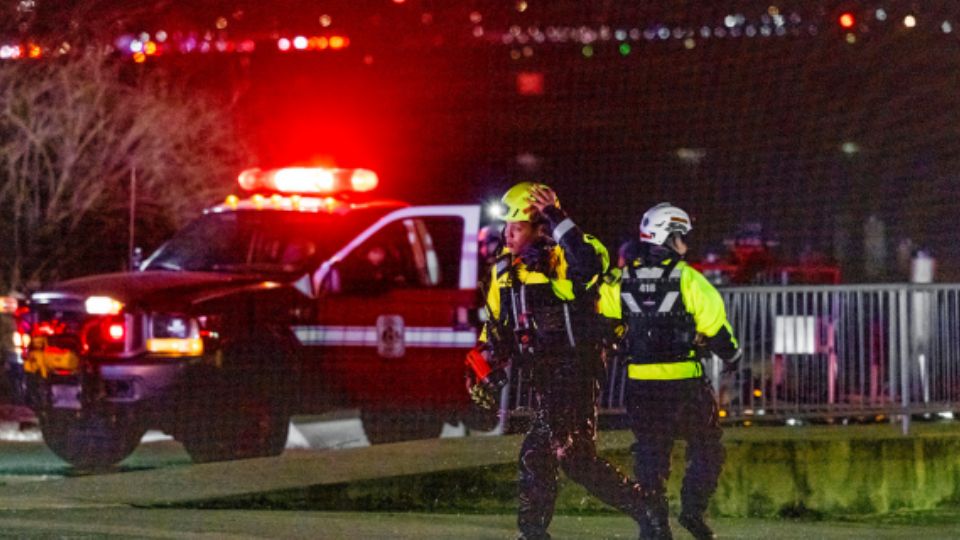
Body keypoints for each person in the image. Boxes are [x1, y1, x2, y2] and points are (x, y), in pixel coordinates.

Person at [475, 182, 647, 540]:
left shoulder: (570, 256)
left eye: (517, 226)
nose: (507, 234)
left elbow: (590, 267)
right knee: (576, 460)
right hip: (545, 376)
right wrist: (480, 368)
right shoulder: (503, 271)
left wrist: (556, 215)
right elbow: (495, 328)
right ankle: (647, 510)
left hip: (577, 369)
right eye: (505, 226)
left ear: (541, 227)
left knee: (537, 453)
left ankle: (532, 534)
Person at [611, 203, 741, 540]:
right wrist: (734, 356)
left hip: (641, 387)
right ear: (672, 237)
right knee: (707, 449)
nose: (687, 243)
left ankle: (654, 527)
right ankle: (693, 512)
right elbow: (720, 335)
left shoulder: (621, 281)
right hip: (685, 386)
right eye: (683, 236)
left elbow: (606, 325)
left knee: (650, 458)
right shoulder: (689, 279)